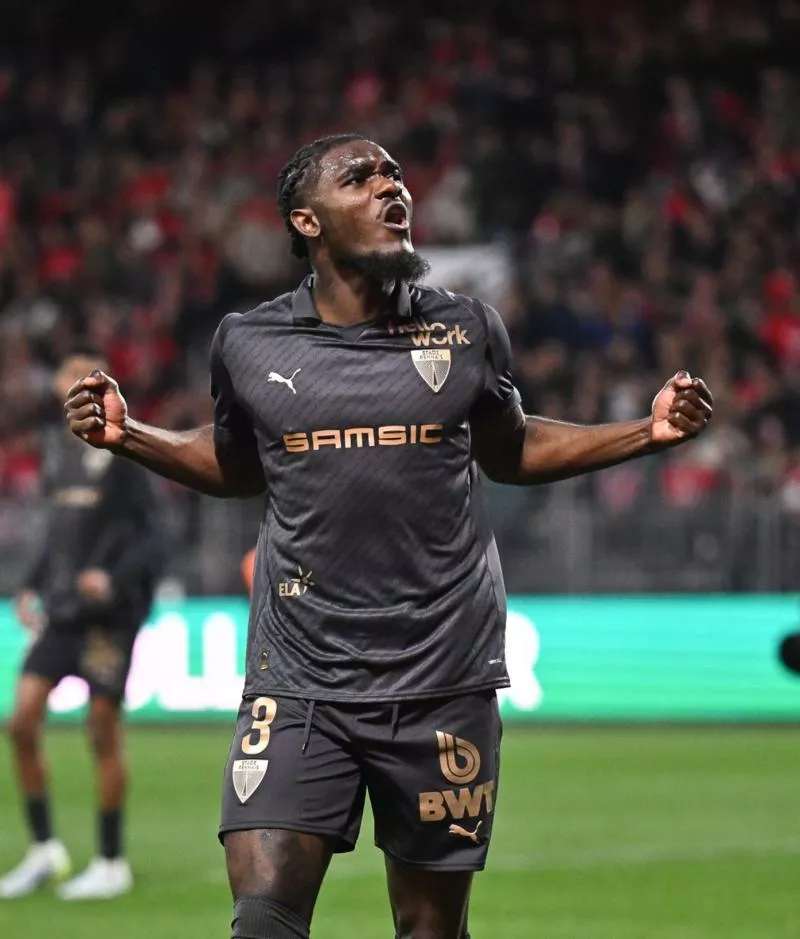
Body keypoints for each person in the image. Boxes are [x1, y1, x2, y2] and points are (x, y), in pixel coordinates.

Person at [63, 134, 713, 939]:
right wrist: (135, 436)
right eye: (361, 177)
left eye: (396, 174)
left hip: (441, 676)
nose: (390, 187)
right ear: (307, 219)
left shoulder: (466, 329)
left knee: (430, 930)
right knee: (262, 922)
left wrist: (642, 433)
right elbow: (237, 463)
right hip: (298, 678)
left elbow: (509, 449)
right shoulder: (248, 340)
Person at [1, 344, 167, 901]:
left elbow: (154, 535)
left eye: (84, 375)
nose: (73, 383)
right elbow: (57, 531)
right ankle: (46, 850)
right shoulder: (61, 452)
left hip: (109, 617)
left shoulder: (124, 450)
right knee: (21, 722)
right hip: (63, 609)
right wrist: (30, 582)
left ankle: (111, 859)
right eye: (69, 376)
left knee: (101, 729)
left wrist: (115, 578)